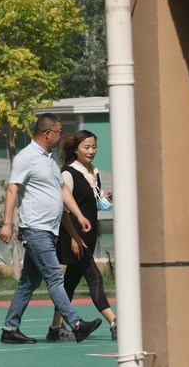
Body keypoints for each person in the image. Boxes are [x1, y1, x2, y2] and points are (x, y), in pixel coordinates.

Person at [0, 113, 103, 345]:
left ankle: (10, 328)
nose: (60, 135)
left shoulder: (50, 158)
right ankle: (76, 324)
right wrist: (7, 223)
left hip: (50, 229)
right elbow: (12, 190)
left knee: (29, 282)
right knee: (55, 277)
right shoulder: (25, 158)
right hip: (34, 228)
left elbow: (63, 189)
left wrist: (78, 215)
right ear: (47, 133)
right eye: (58, 131)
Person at [46, 130, 117, 342]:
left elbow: (91, 204)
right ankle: (114, 322)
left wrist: (105, 199)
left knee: (69, 283)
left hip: (88, 234)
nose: (91, 151)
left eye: (94, 147)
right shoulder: (68, 172)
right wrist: (75, 237)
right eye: (86, 147)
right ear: (75, 149)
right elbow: (64, 208)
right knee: (94, 276)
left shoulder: (93, 172)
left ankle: (55, 328)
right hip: (74, 236)